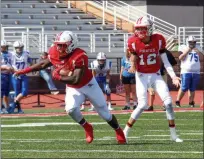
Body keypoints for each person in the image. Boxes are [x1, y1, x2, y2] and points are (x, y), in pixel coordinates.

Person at [14, 31, 126, 144]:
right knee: (70, 109)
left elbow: (75, 79)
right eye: (58, 44)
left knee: (105, 114)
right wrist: (24, 71)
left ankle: (118, 130)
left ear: (71, 44)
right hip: (73, 87)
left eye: (62, 45)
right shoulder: (54, 51)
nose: (59, 48)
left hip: (88, 85)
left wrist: (58, 76)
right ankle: (87, 126)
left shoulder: (80, 56)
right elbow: (43, 64)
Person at [123, 16, 183, 143]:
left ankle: (173, 135)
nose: (140, 32)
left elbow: (165, 61)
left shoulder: (159, 39)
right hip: (141, 76)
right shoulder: (133, 41)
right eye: (138, 29)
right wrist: (132, 66)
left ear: (150, 29)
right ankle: (125, 132)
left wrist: (173, 76)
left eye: (143, 29)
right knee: (142, 105)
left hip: (156, 75)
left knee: (168, 103)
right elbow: (133, 56)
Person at [175, 36, 203, 108]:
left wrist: (199, 53)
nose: (192, 44)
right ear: (187, 42)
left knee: (192, 88)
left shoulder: (198, 47)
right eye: (190, 42)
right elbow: (180, 58)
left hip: (196, 71)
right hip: (186, 71)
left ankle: (191, 102)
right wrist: (187, 51)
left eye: (194, 42)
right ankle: (178, 101)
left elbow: (202, 57)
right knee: (184, 87)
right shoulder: (182, 47)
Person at [8, 41, 32, 114]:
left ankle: (13, 105)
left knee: (25, 92)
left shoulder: (26, 53)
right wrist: (16, 71)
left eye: (21, 47)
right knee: (17, 93)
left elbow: (31, 63)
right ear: (15, 48)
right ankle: (19, 109)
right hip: (15, 75)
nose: (19, 49)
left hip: (24, 74)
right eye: (18, 48)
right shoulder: (11, 54)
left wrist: (30, 69)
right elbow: (10, 66)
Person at [1, 40, 13, 114]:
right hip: (1, 74)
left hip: (8, 75)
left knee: (6, 93)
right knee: (1, 92)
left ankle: (7, 107)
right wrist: (4, 68)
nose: (5, 48)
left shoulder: (10, 54)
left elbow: (13, 63)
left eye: (6, 47)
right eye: (3, 47)